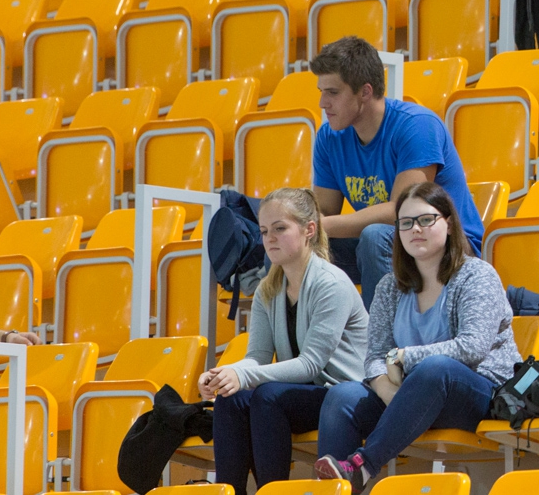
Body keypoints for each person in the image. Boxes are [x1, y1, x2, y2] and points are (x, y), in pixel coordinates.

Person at [316, 182, 517, 495]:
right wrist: (387, 392)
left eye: (426, 219)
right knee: (342, 396)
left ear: (448, 223)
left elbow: (472, 347)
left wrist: (403, 358)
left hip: (479, 393)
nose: (415, 230)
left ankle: (363, 466)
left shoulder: (477, 275)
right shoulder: (389, 286)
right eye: (405, 223)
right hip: (409, 395)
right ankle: (335, 488)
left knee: (435, 367)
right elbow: (375, 356)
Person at [204, 188, 368, 491]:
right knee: (231, 398)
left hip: (342, 395)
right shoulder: (269, 287)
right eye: (265, 231)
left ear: (309, 230)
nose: (270, 238)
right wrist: (222, 377)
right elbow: (258, 357)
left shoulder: (331, 284)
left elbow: (310, 365)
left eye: (280, 228)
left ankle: (274, 490)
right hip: (302, 394)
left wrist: (241, 374)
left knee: (268, 396)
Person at [310, 36, 485, 305]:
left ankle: (383, 344)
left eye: (333, 92)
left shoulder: (417, 126)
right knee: (292, 244)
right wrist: (298, 227)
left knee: (374, 236)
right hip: (386, 246)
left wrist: (316, 225)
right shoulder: (329, 138)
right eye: (321, 91)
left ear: (365, 92)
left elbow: (402, 211)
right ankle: (301, 346)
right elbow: (324, 210)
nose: (323, 102)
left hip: (448, 247)